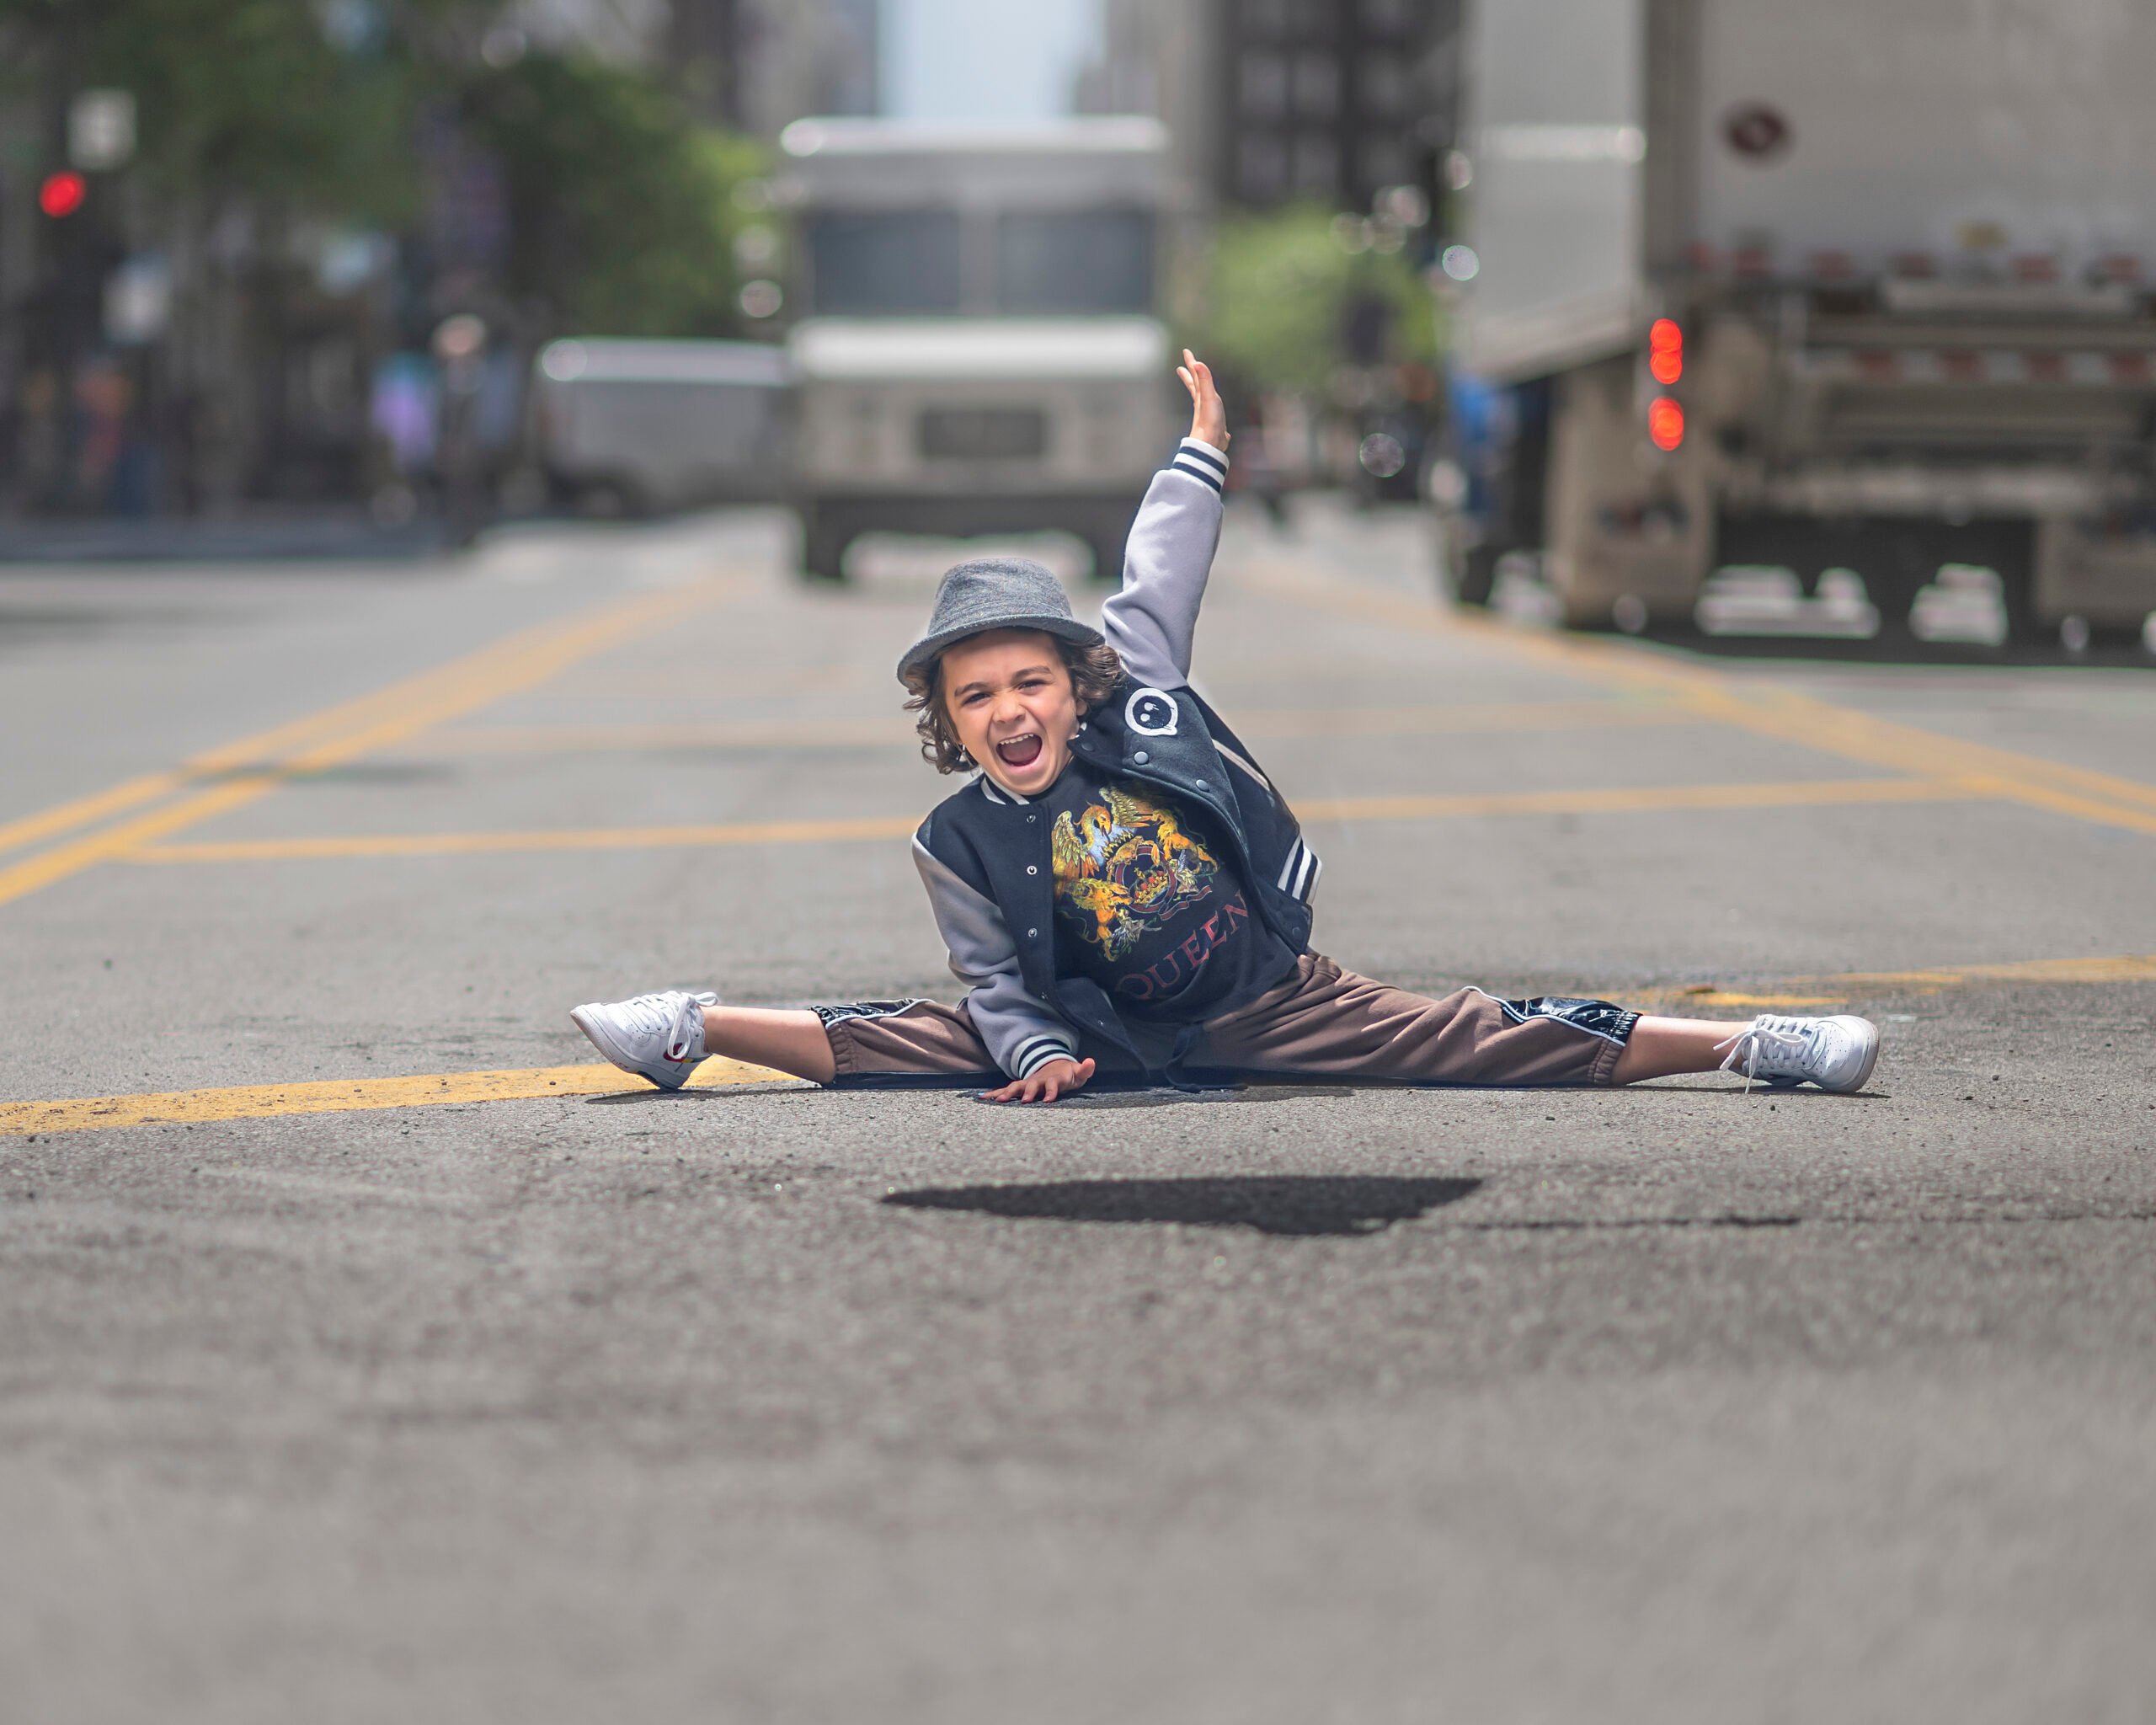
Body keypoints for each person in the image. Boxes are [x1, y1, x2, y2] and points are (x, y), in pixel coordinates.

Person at [571, 352, 1880, 1104]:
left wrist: (1200, 451)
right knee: (903, 1040)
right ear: (949, 726)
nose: (1007, 712)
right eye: (974, 700)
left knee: (1477, 1037)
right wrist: (1036, 1057)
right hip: (1099, 1026)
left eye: (1026, 682)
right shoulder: (955, 838)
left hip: (1263, 1001)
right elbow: (995, 981)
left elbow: (1158, 575)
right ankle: (695, 1024)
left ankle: (1748, 1044)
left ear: (1072, 682)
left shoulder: (1130, 691)